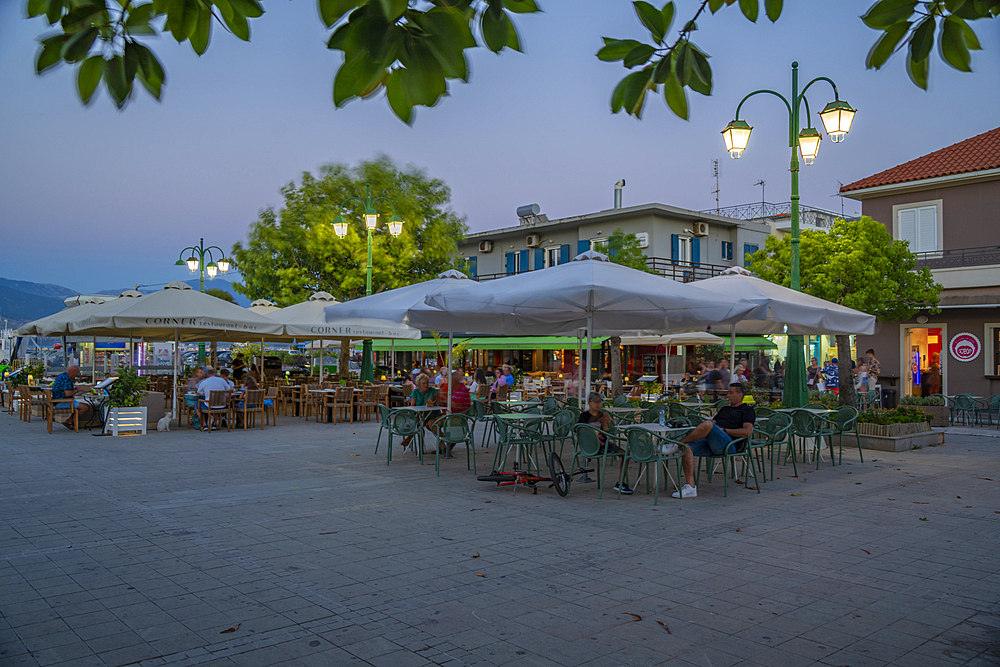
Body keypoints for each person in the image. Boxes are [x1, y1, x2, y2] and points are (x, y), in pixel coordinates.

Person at [672, 383, 756, 499]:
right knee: (687, 447)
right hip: (713, 442)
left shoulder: (747, 410)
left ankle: (677, 444)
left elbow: (747, 432)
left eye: (731, 393)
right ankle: (690, 487)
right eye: (728, 393)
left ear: (740, 395)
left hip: (730, 444)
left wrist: (724, 430)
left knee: (708, 424)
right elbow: (712, 426)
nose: (728, 396)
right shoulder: (724, 409)